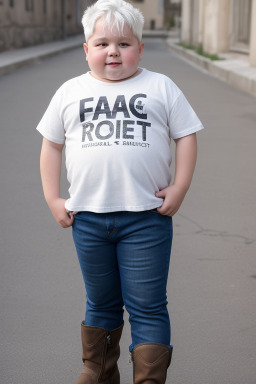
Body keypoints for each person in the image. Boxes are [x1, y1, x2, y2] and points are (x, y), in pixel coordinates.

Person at [37, 0, 204, 383]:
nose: (113, 51)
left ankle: (148, 378)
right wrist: (52, 197)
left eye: (124, 43)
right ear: (86, 50)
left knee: (147, 306)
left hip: (146, 219)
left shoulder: (160, 86)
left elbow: (187, 135)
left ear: (140, 49)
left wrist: (179, 187)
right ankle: (96, 371)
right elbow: (51, 145)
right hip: (89, 220)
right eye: (102, 43)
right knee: (101, 302)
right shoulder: (70, 91)